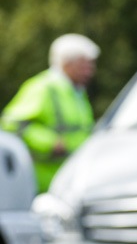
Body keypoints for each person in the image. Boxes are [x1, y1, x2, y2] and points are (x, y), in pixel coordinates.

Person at [0, 33, 99, 193]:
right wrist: (50, 143)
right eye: (84, 65)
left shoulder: (77, 92)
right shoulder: (42, 87)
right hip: (44, 184)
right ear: (67, 64)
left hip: (73, 180)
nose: (90, 71)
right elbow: (10, 124)